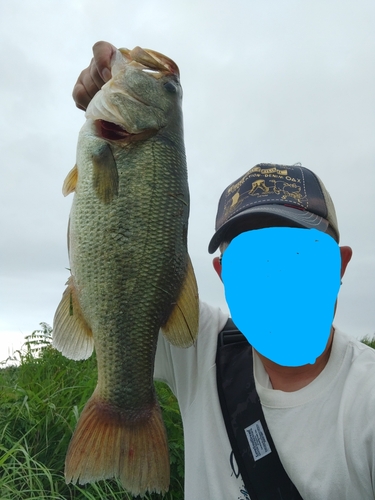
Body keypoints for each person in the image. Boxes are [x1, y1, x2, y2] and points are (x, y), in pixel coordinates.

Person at [72, 42, 375, 500]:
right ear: (222, 272)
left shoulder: (367, 401)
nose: (275, 277)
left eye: (297, 256)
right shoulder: (200, 347)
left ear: (339, 266)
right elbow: (118, 262)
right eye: (253, 261)